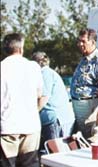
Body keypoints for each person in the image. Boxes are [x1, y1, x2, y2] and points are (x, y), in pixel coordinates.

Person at [1, 33, 43, 167]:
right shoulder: (33, 67)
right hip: (31, 125)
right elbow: (40, 95)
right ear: (21, 48)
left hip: (7, 126)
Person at [70, 28, 98, 142]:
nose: (79, 44)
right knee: (83, 141)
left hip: (92, 108)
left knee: (92, 142)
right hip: (82, 110)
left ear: (93, 42)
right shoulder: (85, 59)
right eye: (79, 41)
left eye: (83, 41)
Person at [32, 52, 75, 148]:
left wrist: (32, 114)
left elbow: (44, 98)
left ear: (37, 63)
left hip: (56, 119)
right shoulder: (49, 73)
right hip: (59, 118)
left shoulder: (45, 73)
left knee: (54, 153)